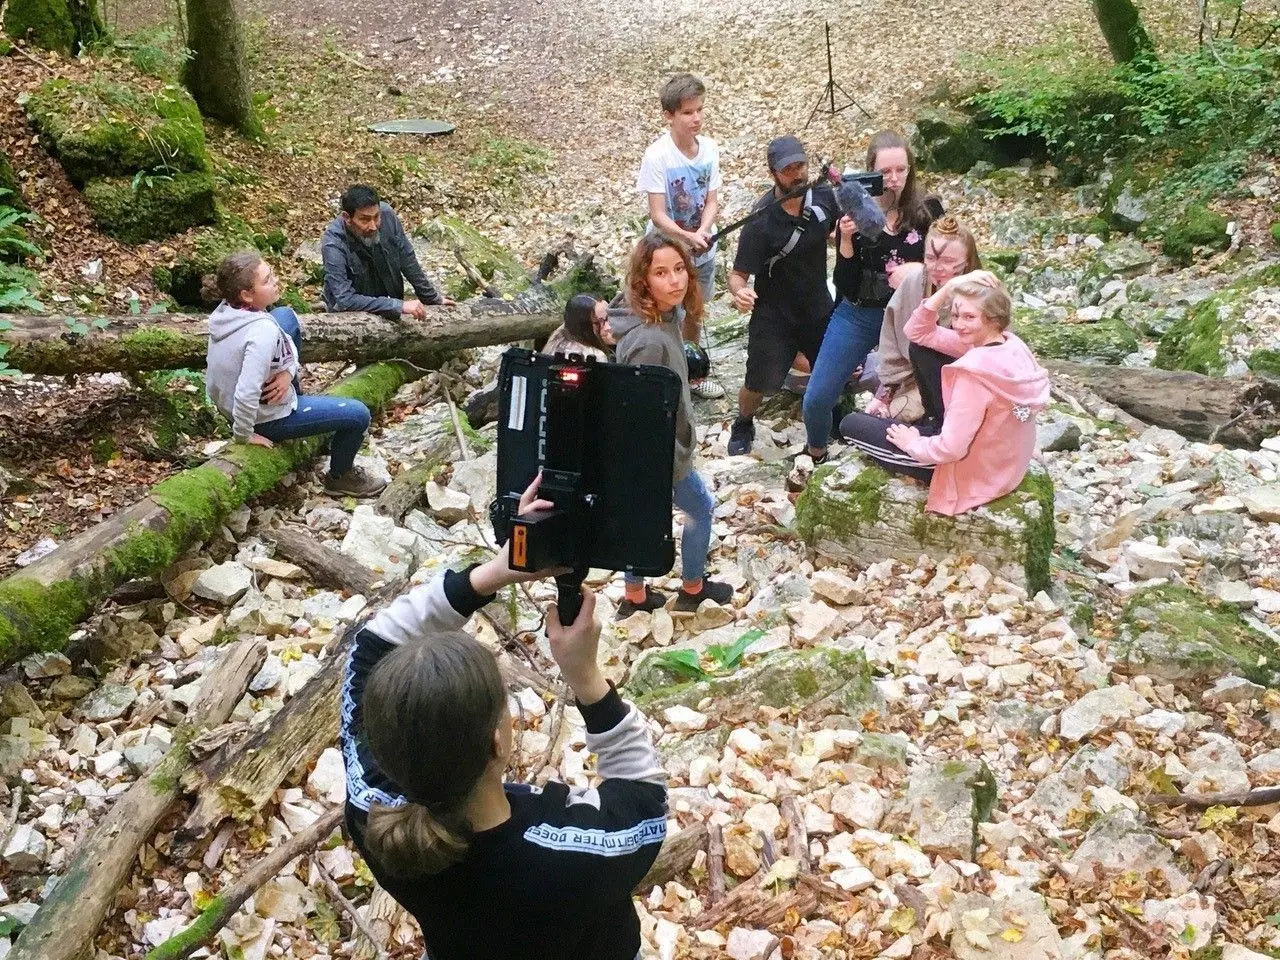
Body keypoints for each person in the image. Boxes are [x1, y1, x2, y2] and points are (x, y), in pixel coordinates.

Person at [342, 476, 667, 960]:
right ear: (498, 740)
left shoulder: (373, 812)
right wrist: (587, 678)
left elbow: (368, 650)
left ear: (386, 743)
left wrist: (495, 572)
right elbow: (644, 796)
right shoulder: (570, 854)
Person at [839, 271, 1050, 515]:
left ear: (994, 320)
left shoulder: (973, 375)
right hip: (1003, 461)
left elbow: (951, 450)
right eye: (957, 315)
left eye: (969, 317)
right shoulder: (1011, 345)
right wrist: (949, 288)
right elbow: (917, 332)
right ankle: (937, 425)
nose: (959, 324)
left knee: (851, 424)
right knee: (921, 348)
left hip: (966, 467)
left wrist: (914, 443)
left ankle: (931, 432)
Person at [604, 233, 734, 618]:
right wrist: (669, 458)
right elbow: (645, 412)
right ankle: (693, 587)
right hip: (659, 452)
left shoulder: (661, 316)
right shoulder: (650, 341)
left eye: (679, 270)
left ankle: (635, 596)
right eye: (661, 273)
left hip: (654, 450)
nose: (675, 281)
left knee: (640, 515)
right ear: (644, 281)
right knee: (700, 509)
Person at [801, 130, 940, 463]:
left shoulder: (926, 208)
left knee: (931, 390)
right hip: (861, 310)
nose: (894, 179)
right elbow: (844, 282)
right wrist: (846, 242)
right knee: (817, 397)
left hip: (913, 311)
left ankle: (922, 449)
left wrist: (917, 269)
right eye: (886, 172)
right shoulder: (856, 206)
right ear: (871, 172)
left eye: (901, 170)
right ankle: (816, 451)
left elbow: (950, 261)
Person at [206, 250, 388, 497]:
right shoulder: (261, 335)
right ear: (247, 295)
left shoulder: (226, 312)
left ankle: (296, 395)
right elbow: (247, 391)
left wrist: (286, 372)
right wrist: (244, 434)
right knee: (358, 415)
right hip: (265, 417)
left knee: (286, 316)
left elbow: (285, 342)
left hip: (234, 403)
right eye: (267, 280)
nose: (276, 281)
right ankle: (340, 476)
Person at [727, 136, 840, 456]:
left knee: (829, 369)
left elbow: (838, 229)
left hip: (817, 302)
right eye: (788, 169)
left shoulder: (824, 197)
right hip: (773, 311)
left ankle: (832, 416)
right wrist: (740, 293)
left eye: (800, 165)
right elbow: (738, 275)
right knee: (757, 380)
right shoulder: (761, 218)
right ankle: (744, 422)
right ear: (773, 173)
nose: (797, 174)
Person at [637, 73, 726, 400]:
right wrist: (685, 236)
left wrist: (702, 232)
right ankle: (664, 375)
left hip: (703, 250)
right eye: (688, 112)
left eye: (700, 110)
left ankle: (692, 374)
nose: (697, 118)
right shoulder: (657, 155)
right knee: (663, 315)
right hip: (666, 253)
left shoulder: (711, 150)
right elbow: (658, 214)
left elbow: (712, 199)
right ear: (669, 115)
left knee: (695, 312)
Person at [866, 216, 981, 424]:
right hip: (913, 380)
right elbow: (892, 337)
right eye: (930, 258)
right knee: (877, 419)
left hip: (964, 384)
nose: (937, 267)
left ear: (967, 261)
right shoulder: (914, 282)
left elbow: (992, 353)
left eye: (948, 261)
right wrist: (884, 393)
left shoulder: (982, 294)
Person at [321, 184, 456, 321]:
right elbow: (345, 299)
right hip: (348, 317)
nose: (373, 226)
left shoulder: (387, 214)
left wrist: (431, 297)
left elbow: (406, 258)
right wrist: (398, 305)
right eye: (365, 220)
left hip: (387, 302)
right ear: (347, 218)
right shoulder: (333, 243)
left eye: (376, 217)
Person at [541, 293, 611, 361]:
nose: (608, 327)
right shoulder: (595, 355)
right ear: (582, 326)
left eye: (610, 318)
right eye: (598, 322)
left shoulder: (559, 337)